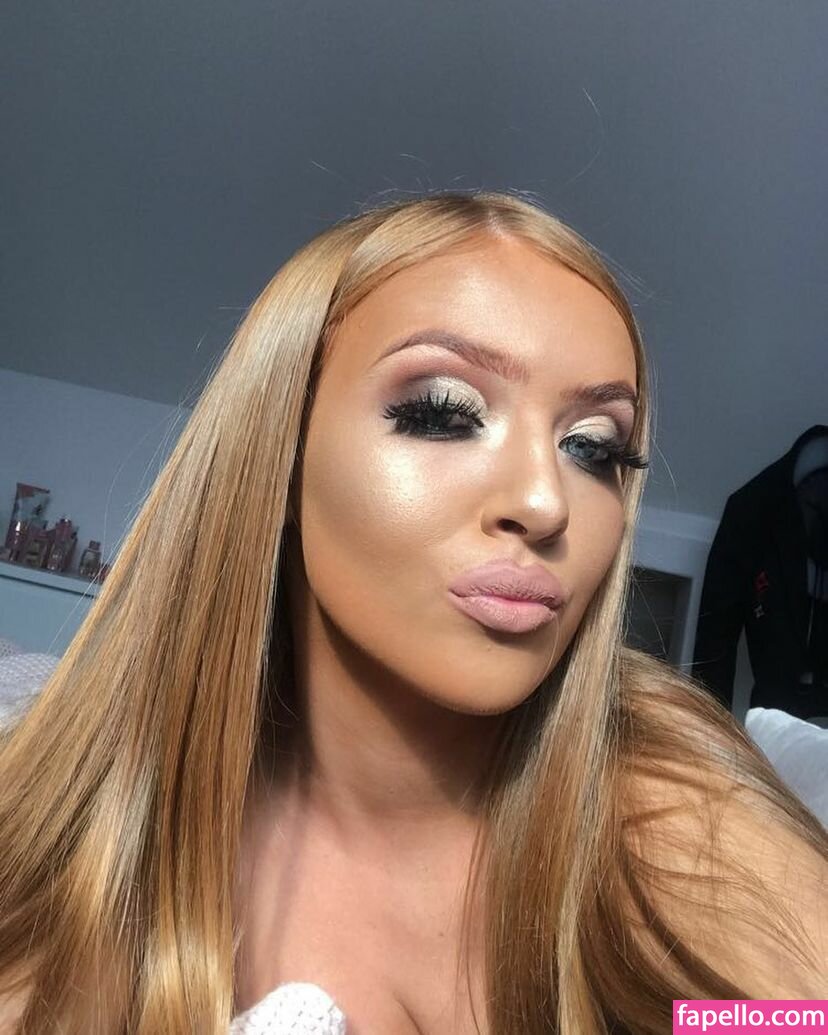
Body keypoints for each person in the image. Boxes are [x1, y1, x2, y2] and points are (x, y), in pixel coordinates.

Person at [0, 190, 825, 1035]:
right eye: (443, 413)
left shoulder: (662, 803)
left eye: (593, 448)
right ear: (281, 458)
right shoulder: (84, 839)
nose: (546, 502)